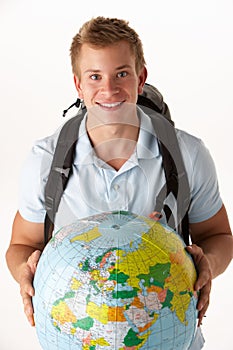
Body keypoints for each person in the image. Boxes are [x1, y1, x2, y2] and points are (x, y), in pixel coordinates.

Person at [5, 16, 232, 348]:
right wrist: (25, 273)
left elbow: (219, 235)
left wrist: (206, 265)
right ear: (78, 85)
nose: (109, 90)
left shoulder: (188, 154)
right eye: (95, 76)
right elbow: (21, 245)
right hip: (78, 336)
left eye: (121, 74)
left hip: (167, 336)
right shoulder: (45, 160)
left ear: (141, 79)